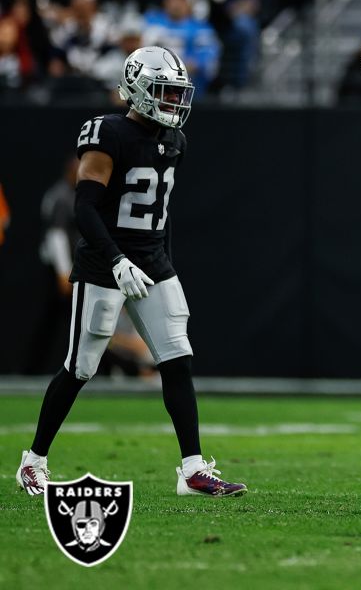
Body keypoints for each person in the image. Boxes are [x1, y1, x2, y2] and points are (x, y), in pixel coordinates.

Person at [16, 46, 247, 499]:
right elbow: (85, 208)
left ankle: (193, 469)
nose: (174, 103)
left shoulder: (175, 140)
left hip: (153, 262)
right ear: (137, 88)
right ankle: (33, 461)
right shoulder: (108, 133)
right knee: (80, 366)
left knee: (177, 360)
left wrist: (163, 262)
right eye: (164, 92)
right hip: (106, 262)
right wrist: (116, 259)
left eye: (177, 93)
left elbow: (163, 215)